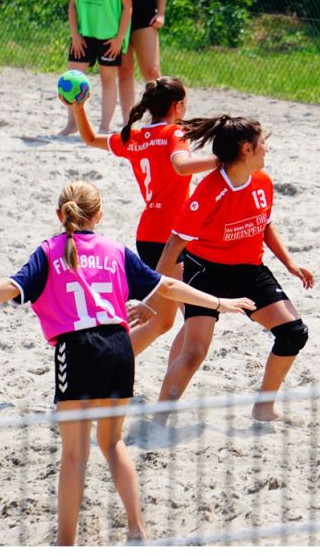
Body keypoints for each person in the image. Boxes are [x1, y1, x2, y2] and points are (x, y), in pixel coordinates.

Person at [0, 181, 253, 545]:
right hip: (119, 347)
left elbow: (11, 287)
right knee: (112, 443)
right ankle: (137, 529)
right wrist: (219, 302)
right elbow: (168, 287)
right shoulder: (115, 249)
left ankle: (65, 543)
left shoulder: (49, 251)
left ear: (60, 214)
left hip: (77, 349)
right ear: (99, 214)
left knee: (74, 455)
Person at [151, 116, 314, 424]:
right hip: (206, 273)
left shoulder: (262, 181)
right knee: (194, 352)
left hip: (249, 271)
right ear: (245, 149)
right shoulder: (209, 190)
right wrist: (154, 291)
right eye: (262, 142)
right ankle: (160, 418)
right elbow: (174, 244)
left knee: (293, 334)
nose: (266, 148)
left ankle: (263, 406)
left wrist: (290, 264)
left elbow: (265, 225)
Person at [65, 75, 218, 356]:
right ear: (177, 106)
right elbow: (182, 166)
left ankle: (111, 364)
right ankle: (116, 364)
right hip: (170, 237)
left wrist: (79, 107)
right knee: (196, 318)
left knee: (162, 321)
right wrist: (222, 161)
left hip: (149, 235)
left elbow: (89, 138)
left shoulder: (134, 138)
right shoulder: (173, 134)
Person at [59, 0, 134, 137]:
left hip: (110, 37)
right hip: (83, 35)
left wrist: (119, 39)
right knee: (73, 79)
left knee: (107, 81)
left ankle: (104, 127)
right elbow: (72, 5)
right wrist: (75, 35)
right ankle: (72, 123)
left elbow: (128, 8)